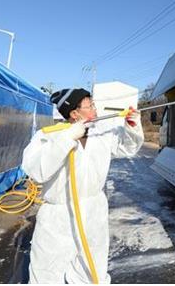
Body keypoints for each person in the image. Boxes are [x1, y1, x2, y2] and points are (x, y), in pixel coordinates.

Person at [22, 88, 144, 284]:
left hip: (94, 210)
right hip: (59, 216)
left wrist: (132, 126)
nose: (95, 110)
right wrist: (67, 138)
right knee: (47, 269)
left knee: (92, 264)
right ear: (74, 113)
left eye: (93, 104)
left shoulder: (102, 132)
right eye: (90, 106)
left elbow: (127, 147)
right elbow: (37, 171)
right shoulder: (48, 136)